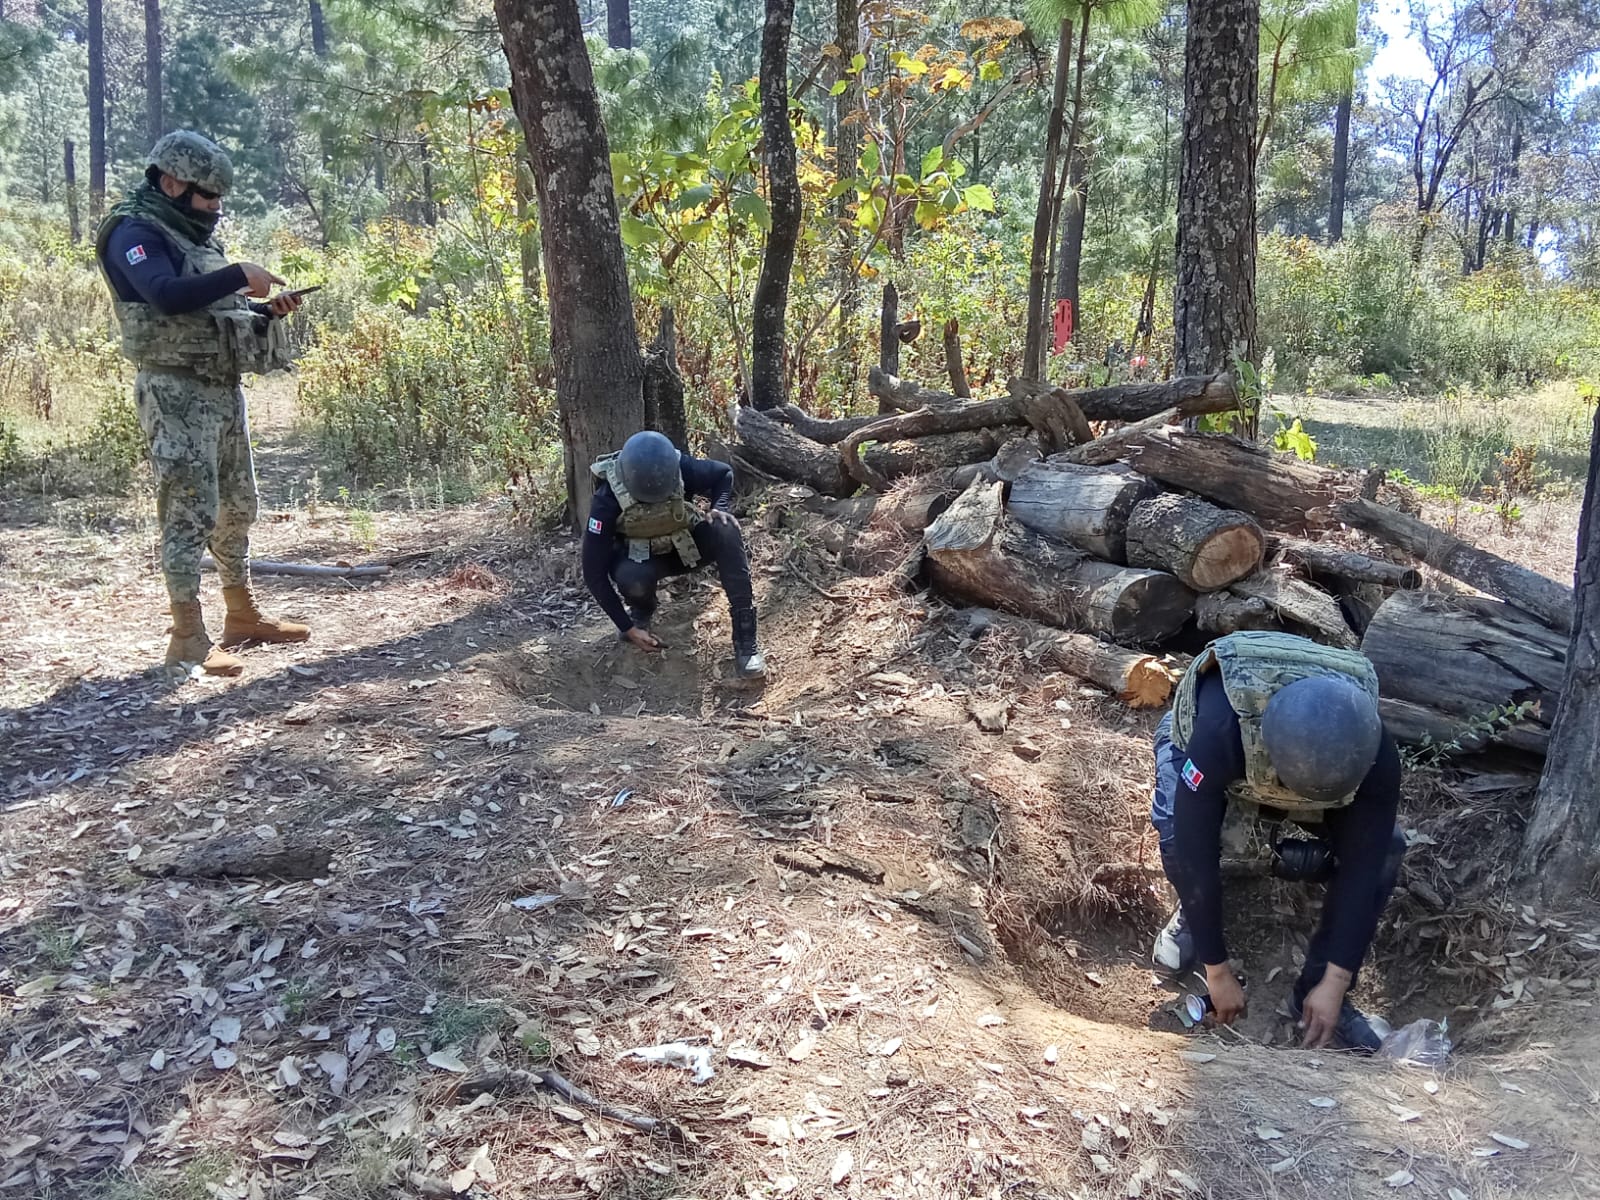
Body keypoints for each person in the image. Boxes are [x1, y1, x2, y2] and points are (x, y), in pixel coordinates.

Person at [95, 130, 309, 677]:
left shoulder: (192, 235)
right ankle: (187, 635)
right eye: (207, 196)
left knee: (237, 505)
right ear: (171, 183)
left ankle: (242, 614)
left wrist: (266, 313)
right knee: (189, 511)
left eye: (219, 198)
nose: (215, 208)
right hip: (173, 391)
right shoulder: (134, 232)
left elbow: (212, 311)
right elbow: (165, 296)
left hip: (219, 386)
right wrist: (240, 273)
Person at [1148, 631, 1406, 1052]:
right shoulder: (1220, 733)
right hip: (1213, 742)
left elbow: (1366, 865)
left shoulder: (1374, 754)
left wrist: (1335, 983)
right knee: (1179, 836)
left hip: (1324, 761)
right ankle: (1194, 921)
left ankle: (1313, 995)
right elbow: (1193, 844)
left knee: (1388, 849)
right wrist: (1217, 971)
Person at [582, 431, 765, 679]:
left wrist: (718, 508)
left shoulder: (682, 467)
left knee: (726, 528)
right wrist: (626, 627)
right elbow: (593, 574)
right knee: (632, 578)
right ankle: (641, 611)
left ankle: (746, 640)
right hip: (641, 563)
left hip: (686, 550)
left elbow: (723, 473)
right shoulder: (607, 499)